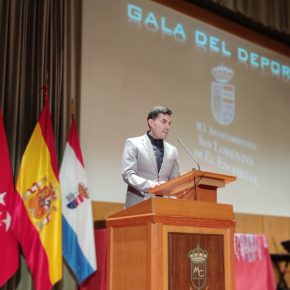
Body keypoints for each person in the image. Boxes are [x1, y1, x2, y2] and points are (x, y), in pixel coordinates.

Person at [122, 106, 181, 208]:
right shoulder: (133, 143)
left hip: (164, 207)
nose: (167, 127)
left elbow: (175, 180)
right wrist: (151, 185)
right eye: (163, 121)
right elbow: (128, 174)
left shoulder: (173, 150)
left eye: (169, 123)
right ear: (151, 123)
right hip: (138, 205)